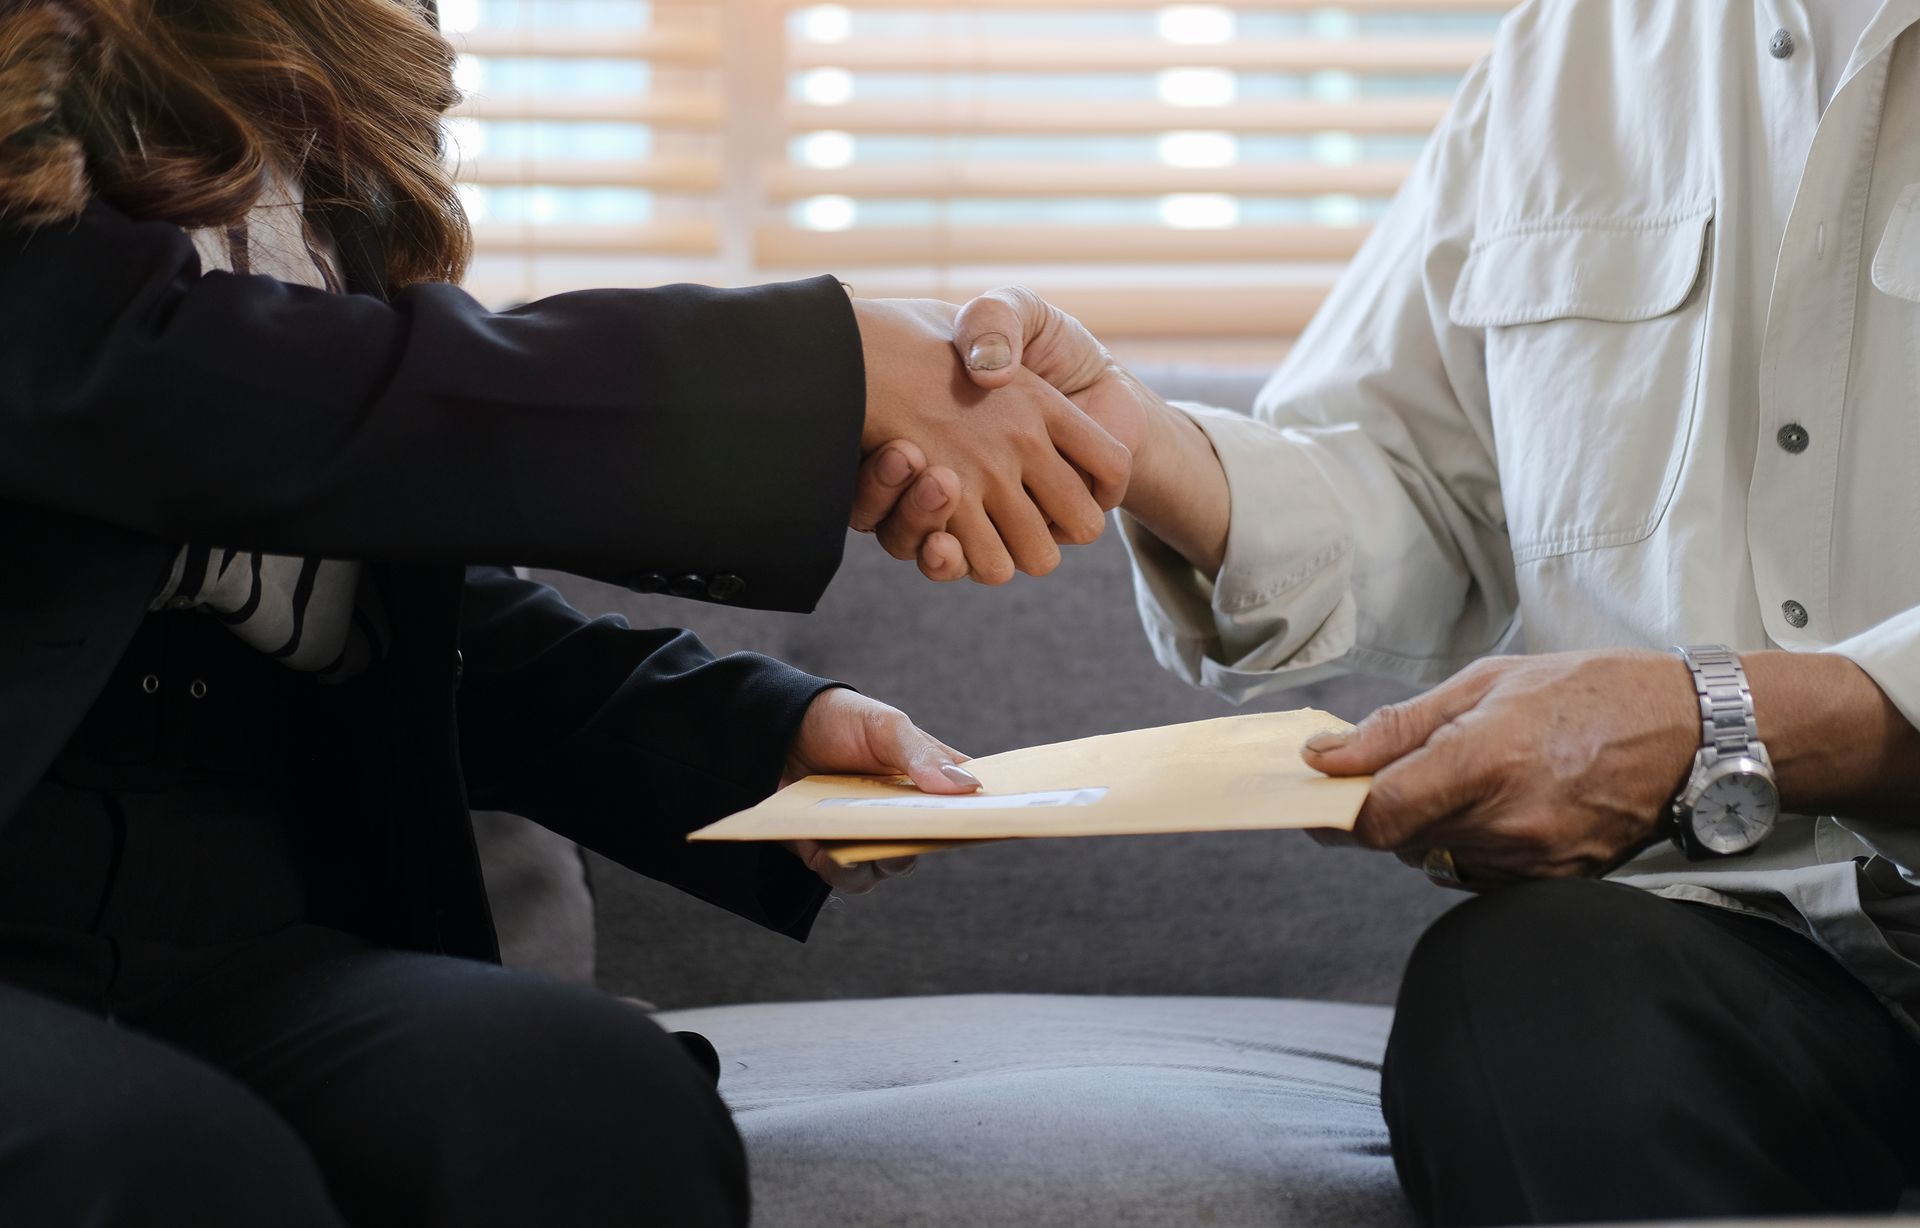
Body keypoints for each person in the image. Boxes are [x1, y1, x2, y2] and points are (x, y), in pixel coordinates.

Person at [0, 1, 1134, 1225]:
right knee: (171, 1169)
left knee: (584, 1101)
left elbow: (347, 566)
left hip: (238, 910)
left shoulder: (318, 49)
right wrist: (826, 377)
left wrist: (758, 741)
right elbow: (163, 380)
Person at [853, 0, 1920, 1222]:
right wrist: (1130, 440)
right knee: (1530, 989)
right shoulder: (1568, 53)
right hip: (1737, 937)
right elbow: (1412, 486)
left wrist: (1711, 718)